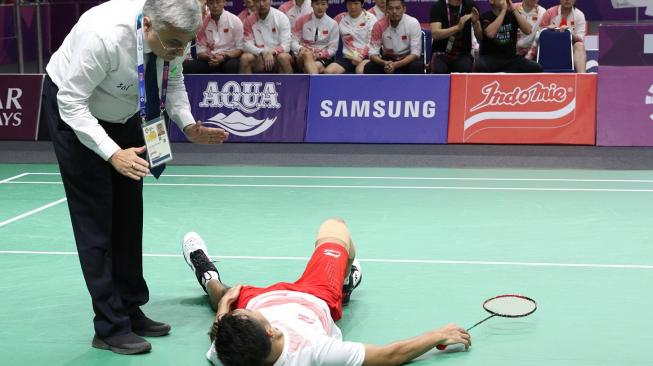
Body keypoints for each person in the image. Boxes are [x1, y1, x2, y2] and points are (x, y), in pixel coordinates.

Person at [42, 0, 229, 355]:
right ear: (147, 27)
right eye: (174, 43)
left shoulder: (171, 35)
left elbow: (172, 83)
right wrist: (112, 152)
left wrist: (188, 125)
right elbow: (71, 103)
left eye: (186, 43)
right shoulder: (104, 38)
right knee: (96, 220)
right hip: (78, 114)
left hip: (129, 112)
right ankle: (110, 327)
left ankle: (130, 307)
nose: (179, 50)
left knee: (129, 213)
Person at [182, 218, 472, 365]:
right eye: (250, 316)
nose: (245, 313)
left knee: (223, 293)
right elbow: (389, 356)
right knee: (336, 227)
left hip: (261, 296)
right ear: (273, 331)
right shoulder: (315, 353)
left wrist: (226, 308)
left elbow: (219, 333)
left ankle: (207, 274)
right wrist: (436, 335)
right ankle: (345, 285)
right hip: (315, 296)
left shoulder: (227, 354)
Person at [476, 0, 542, 72]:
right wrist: (503, 11)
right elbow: (490, 34)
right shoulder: (485, 16)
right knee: (480, 66)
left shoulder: (512, 14)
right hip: (491, 58)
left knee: (536, 68)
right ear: (492, 1)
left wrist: (513, 9)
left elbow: (528, 30)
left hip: (510, 59)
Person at [363, 0, 424, 74]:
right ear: (386, 10)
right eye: (390, 8)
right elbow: (372, 53)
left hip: (408, 58)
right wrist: (384, 63)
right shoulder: (379, 25)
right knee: (369, 67)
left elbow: (415, 53)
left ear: (404, 9)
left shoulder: (413, 23)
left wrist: (396, 65)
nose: (394, 11)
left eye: (398, 8)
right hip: (388, 59)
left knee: (417, 66)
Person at [183, 0, 244, 74]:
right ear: (207, 4)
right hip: (210, 59)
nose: (215, 6)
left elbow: (240, 49)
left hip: (228, 58)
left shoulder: (234, 20)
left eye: (218, 2)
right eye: (211, 3)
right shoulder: (202, 23)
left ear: (224, 2)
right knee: (187, 66)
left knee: (232, 65)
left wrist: (224, 57)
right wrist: (210, 57)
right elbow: (200, 53)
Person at [240, 0, 294, 73]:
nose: (261, 4)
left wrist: (272, 52)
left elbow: (286, 45)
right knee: (245, 58)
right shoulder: (249, 20)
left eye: (264, 0)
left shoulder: (281, 17)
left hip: (277, 56)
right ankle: (247, 84)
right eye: (258, 1)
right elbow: (247, 45)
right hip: (260, 57)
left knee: (283, 57)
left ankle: (289, 84)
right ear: (254, 3)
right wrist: (263, 52)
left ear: (270, 1)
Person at [324, 0, 377, 75]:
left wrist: (361, 56)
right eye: (349, 4)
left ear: (362, 4)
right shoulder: (340, 18)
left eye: (356, 3)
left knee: (360, 71)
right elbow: (325, 29)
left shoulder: (371, 18)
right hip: (348, 58)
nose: (352, 7)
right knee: (328, 72)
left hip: (367, 57)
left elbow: (372, 42)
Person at [429, 0, 482, 74]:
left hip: (463, 54)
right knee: (439, 70)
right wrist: (457, 28)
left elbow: (480, 36)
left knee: (465, 69)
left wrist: (476, 23)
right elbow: (435, 34)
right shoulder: (438, 6)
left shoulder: (470, 6)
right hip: (441, 53)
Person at [291, 0, 340, 74]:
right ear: (312, 5)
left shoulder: (333, 24)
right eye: (317, 4)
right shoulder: (302, 20)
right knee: (307, 55)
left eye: (323, 4)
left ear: (327, 5)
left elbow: (333, 49)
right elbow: (293, 41)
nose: (320, 7)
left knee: (316, 67)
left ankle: (313, 80)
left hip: (323, 58)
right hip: (303, 56)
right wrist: (300, 48)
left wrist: (319, 55)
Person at [538, 0, 586, 72]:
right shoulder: (549, 12)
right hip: (550, 48)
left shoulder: (579, 15)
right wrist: (547, 30)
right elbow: (538, 34)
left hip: (569, 50)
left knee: (579, 45)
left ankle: (582, 77)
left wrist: (569, 33)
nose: (567, 0)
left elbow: (581, 38)